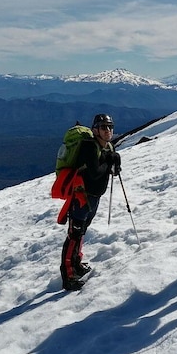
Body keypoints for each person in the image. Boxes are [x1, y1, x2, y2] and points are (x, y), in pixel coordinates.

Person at [60, 113, 121, 291]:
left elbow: (108, 170)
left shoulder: (106, 146)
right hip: (81, 196)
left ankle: (76, 263)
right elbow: (95, 172)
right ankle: (68, 275)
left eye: (110, 127)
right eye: (103, 127)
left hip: (93, 197)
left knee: (81, 231)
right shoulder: (89, 146)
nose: (108, 130)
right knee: (75, 233)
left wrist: (114, 160)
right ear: (95, 130)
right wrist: (109, 159)